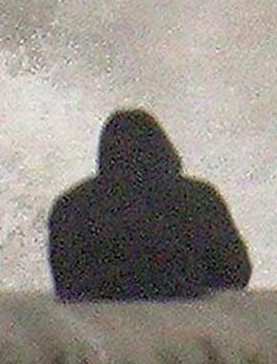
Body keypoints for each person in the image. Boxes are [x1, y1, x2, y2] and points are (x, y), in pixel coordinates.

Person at [45, 108, 251, 302]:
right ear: (165, 148)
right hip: (187, 325)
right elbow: (236, 273)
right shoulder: (199, 198)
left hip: (103, 329)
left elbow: (66, 284)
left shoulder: (72, 205)